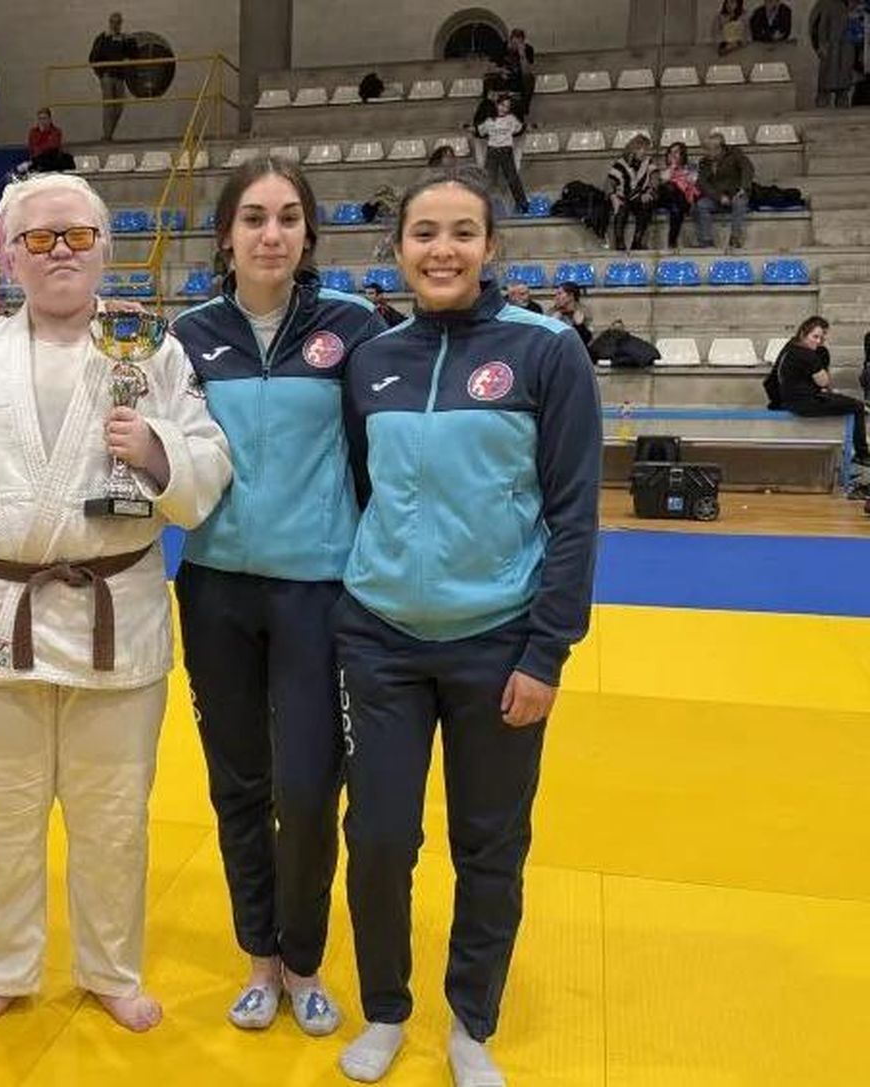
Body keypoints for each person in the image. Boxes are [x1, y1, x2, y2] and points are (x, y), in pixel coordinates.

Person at [0, 172, 232, 1040]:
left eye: (77, 237)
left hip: (111, 613)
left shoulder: (149, 347)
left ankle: (108, 968)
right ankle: (4, 968)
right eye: (38, 239)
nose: (58, 254)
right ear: (6, 254)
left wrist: (156, 449)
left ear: (105, 248)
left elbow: (207, 464)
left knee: (113, 813)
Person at [336, 165, 601, 1087]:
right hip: (380, 643)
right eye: (423, 233)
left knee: (489, 839)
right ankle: (384, 1007)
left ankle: (471, 1021)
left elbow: (574, 512)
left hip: (499, 644)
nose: (441, 250)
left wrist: (547, 650)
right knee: (376, 836)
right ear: (399, 248)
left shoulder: (544, 352)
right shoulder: (373, 357)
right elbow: (369, 491)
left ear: (491, 247)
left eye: (460, 233)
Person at [170, 154, 387, 1038]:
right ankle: (260, 955)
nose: (271, 233)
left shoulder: (357, 327)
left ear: (307, 234)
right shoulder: (185, 335)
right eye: (253, 217)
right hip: (216, 588)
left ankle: (305, 956)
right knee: (238, 784)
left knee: (306, 787)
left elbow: (385, 461)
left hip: (317, 592)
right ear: (225, 235)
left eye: (288, 217)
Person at [772, 316, 870, 465]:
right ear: (803, 333)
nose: (818, 341)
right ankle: (862, 454)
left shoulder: (791, 347)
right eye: (815, 337)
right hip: (804, 403)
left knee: (842, 400)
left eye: (821, 338)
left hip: (790, 399)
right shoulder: (808, 354)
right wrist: (821, 362)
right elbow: (824, 381)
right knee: (857, 406)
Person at [693, 132, 753, 248]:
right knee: (701, 205)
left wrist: (743, 188)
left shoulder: (736, 155)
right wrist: (718, 197)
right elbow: (702, 183)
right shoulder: (704, 162)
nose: (707, 153)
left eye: (709, 149)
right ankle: (706, 240)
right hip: (717, 196)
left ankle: (735, 238)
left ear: (719, 148)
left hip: (735, 193)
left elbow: (748, 170)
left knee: (739, 202)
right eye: (706, 149)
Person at [474, 95, 528, 215]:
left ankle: (523, 204)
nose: (504, 108)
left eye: (507, 106)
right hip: (492, 151)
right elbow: (479, 131)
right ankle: (483, 206)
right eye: (502, 105)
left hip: (506, 151)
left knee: (513, 178)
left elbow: (519, 129)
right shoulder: (489, 121)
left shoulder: (511, 119)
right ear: (496, 105)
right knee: (489, 179)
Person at [89, 12, 135, 141]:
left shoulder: (124, 39)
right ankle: (107, 136)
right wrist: (101, 73)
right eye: (113, 22)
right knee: (109, 106)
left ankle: (108, 134)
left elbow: (133, 55)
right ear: (109, 23)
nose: (115, 25)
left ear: (121, 24)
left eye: (118, 22)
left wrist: (129, 40)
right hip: (107, 76)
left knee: (119, 106)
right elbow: (93, 57)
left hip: (120, 77)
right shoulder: (102, 38)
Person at [606, 135, 656, 251]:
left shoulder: (648, 162)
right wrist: (613, 197)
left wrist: (650, 191)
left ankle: (637, 241)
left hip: (640, 196)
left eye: (645, 149)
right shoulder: (621, 163)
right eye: (640, 149)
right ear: (633, 149)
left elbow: (654, 179)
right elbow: (609, 183)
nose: (643, 152)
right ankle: (619, 243)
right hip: (623, 195)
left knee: (646, 206)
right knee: (621, 208)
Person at [811, 0, 856, 106]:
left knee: (843, 88)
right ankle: (821, 110)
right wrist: (821, 46)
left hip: (847, 50)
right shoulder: (826, 4)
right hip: (830, 50)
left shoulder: (853, 5)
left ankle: (842, 106)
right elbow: (818, 26)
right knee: (825, 86)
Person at [657, 140, 698, 250]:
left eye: (676, 152)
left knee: (676, 205)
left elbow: (692, 181)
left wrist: (680, 173)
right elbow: (663, 179)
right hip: (669, 200)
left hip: (685, 199)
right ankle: (672, 241)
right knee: (669, 187)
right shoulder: (665, 169)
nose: (673, 155)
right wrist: (672, 167)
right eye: (670, 152)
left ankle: (672, 241)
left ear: (683, 154)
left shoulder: (691, 167)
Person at [26, 108, 75, 172]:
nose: (42, 121)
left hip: (52, 158)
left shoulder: (56, 131)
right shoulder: (33, 132)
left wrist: (42, 146)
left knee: (68, 158)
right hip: (39, 158)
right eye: (40, 119)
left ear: (49, 119)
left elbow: (53, 146)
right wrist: (42, 134)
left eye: (44, 118)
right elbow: (34, 148)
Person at [549, 281, 592, 346]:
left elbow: (586, 341)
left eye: (560, 294)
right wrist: (552, 323)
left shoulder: (583, 312)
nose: (556, 297)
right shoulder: (552, 312)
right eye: (556, 294)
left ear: (571, 296)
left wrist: (580, 326)